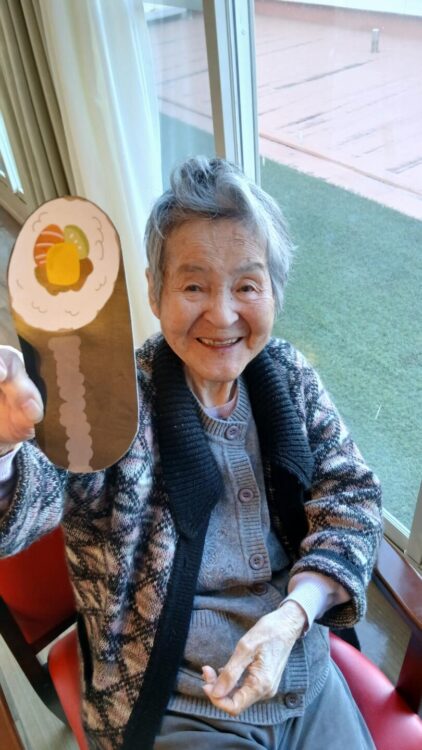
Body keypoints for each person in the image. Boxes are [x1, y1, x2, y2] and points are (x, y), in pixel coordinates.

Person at [0, 156, 382, 750]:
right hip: (175, 702)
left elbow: (352, 494)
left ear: (275, 294)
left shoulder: (289, 377)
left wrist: (293, 616)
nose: (223, 315)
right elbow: (24, 507)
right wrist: (5, 446)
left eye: (247, 286)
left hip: (301, 669)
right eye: (194, 285)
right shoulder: (112, 402)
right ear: (155, 293)